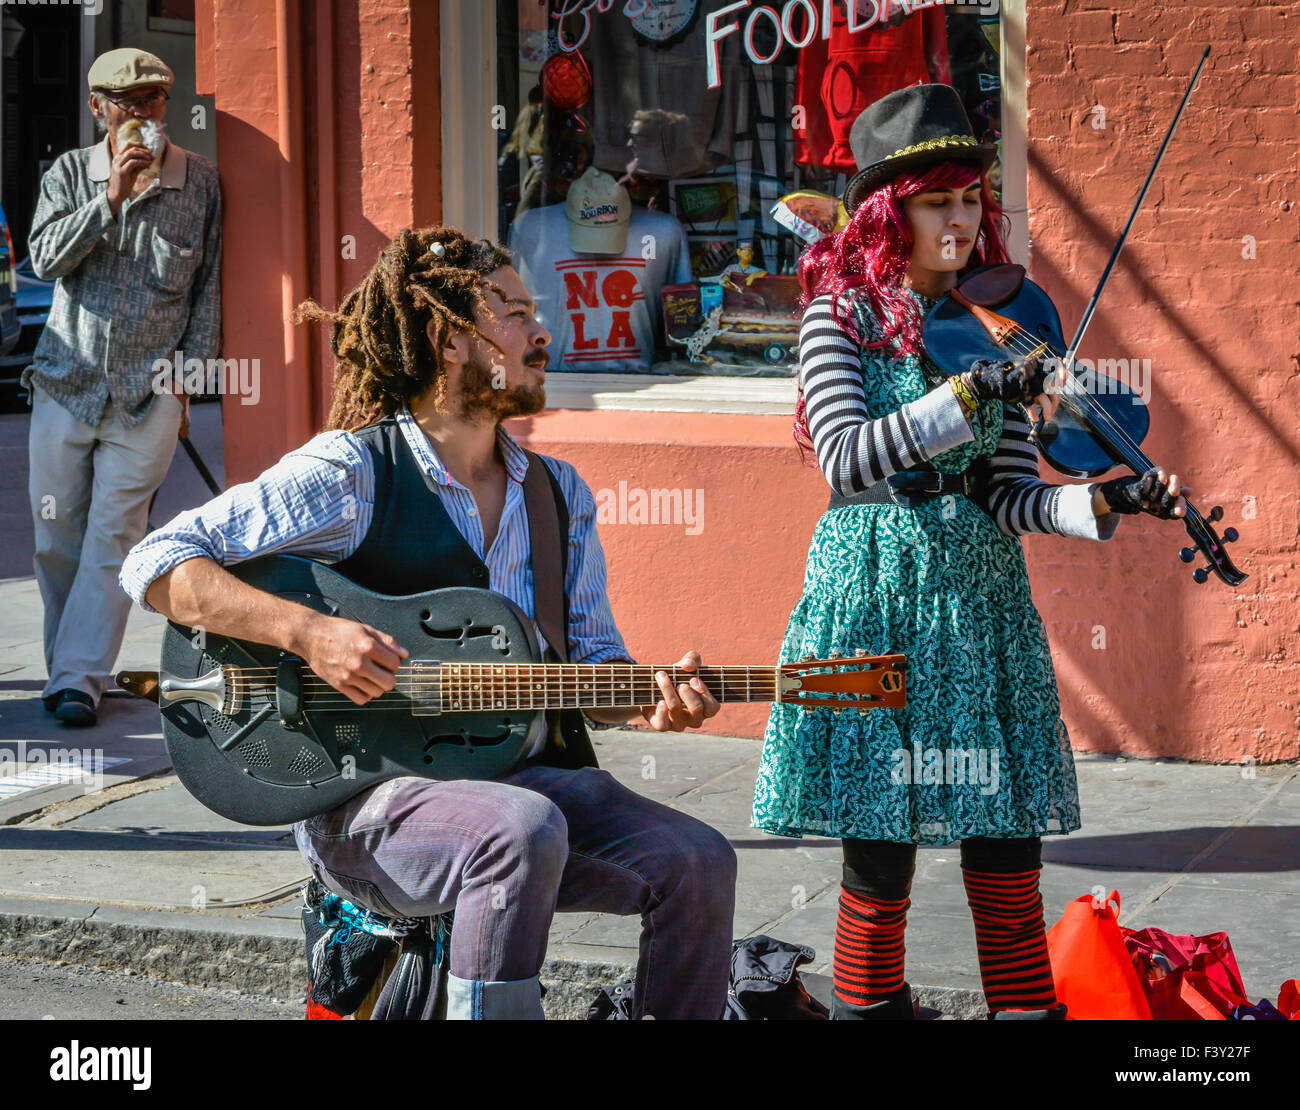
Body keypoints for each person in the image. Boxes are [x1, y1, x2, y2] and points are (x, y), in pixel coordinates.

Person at [119, 227, 736, 1020]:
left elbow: (596, 670)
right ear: (450, 340)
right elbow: (158, 562)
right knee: (519, 826)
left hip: (518, 785)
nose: (540, 332)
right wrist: (309, 634)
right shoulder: (351, 472)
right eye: (512, 313)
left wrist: (652, 698)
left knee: (699, 858)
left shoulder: (560, 496)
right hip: (361, 800)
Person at [751, 85, 1191, 1021]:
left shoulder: (998, 316)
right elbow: (845, 455)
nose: (959, 220)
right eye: (936, 201)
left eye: (970, 201)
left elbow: (1007, 494)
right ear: (888, 212)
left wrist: (1107, 499)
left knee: (1005, 848)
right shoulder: (842, 319)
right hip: (871, 591)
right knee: (878, 852)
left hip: (980, 598)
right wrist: (966, 394)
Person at [26, 48, 222, 727]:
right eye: (124, 101)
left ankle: (78, 679)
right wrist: (109, 198)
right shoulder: (69, 174)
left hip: (150, 393)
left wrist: (188, 385)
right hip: (64, 382)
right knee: (56, 537)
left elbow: (208, 294)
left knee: (115, 537)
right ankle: (69, 670)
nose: (139, 113)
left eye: (152, 101)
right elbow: (45, 258)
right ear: (97, 107)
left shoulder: (199, 183)